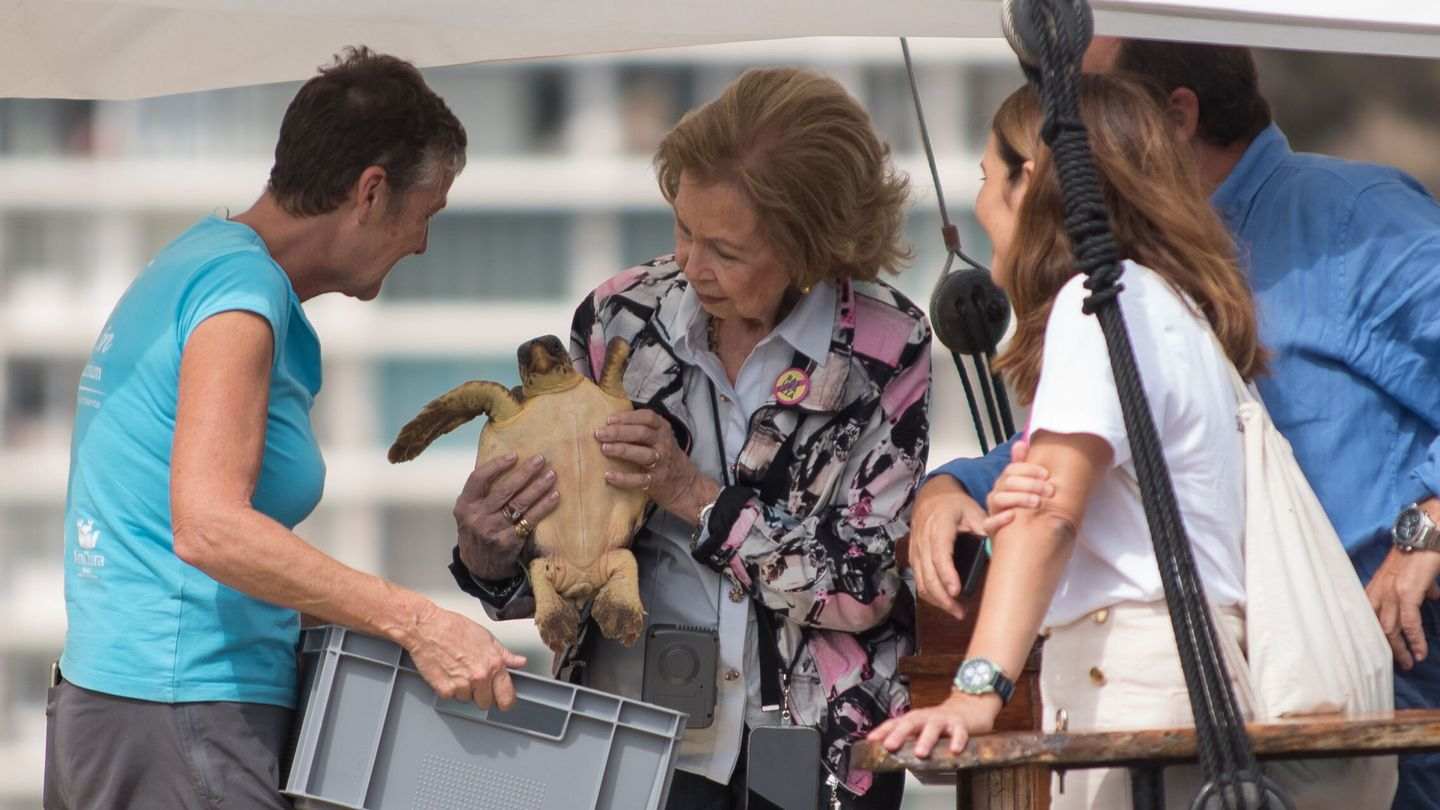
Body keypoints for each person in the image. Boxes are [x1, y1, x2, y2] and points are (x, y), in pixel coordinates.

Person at [911, 39, 1440, 810]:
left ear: (1170, 117)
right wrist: (961, 482)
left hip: (1386, 679)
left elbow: (1073, 489)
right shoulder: (1161, 288)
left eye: (1080, 107)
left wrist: (1426, 525)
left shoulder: (1352, 221)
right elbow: (1131, 443)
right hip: (1269, 695)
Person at [44, 47, 527, 810]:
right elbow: (208, 529)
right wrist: (419, 621)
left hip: (129, 709)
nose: (423, 245)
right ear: (371, 192)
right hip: (180, 711)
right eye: (425, 214)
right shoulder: (240, 298)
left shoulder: (197, 262)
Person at [448, 67, 931, 809]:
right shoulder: (621, 316)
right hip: (631, 732)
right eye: (683, 229)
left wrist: (694, 496)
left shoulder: (885, 346)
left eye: (727, 251)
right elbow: (573, 556)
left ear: (814, 244)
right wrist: (493, 555)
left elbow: (861, 587)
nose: (692, 267)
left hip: (815, 746)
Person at [868, 73, 1279, 808]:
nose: (980, 203)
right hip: (1186, 682)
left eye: (990, 178)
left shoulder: (1099, 309)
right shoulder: (1173, 308)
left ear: (1033, 182)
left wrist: (975, 691)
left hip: (1133, 692)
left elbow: (1051, 515)